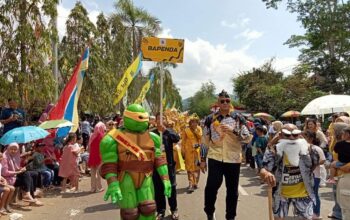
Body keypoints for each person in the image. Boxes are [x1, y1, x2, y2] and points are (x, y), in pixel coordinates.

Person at [100, 104, 171, 220]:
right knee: (129, 213)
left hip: (146, 177)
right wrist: (113, 183)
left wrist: (166, 178)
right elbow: (109, 163)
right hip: (126, 178)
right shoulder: (112, 139)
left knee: (149, 209)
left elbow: (159, 159)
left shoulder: (153, 138)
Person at [260, 124, 319, 220]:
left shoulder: (310, 150)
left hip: (304, 195)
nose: (291, 138)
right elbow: (263, 169)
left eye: (295, 135)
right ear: (281, 135)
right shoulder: (274, 150)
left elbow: (316, 163)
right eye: (287, 135)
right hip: (281, 195)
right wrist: (267, 173)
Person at [203, 90, 243, 220]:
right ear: (218, 103)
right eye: (222, 101)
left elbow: (247, 138)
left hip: (233, 158)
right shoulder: (210, 119)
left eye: (228, 101)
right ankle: (209, 212)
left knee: (232, 191)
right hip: (215, 158)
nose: (225, 103)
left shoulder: (238, 118)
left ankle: (230, 217)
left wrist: (234, 131)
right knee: (211, 187)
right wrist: (202, 159)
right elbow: (204, 141)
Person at [152, 112, 180, 220]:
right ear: (155, 121)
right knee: (158, 189)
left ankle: (174, 209)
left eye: (162, 119)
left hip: (169, 165)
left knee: (171, 188)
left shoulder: (169, 132)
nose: (160, 121)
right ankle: (161, 211)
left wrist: (165, 130)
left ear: (165, 120)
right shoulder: (152, 133)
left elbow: (177, 138)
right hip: (156, 167)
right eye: (158, 119)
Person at [303, 130, 326, 220]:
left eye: (305, 137)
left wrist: (314, 164)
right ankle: (308, 212)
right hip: (304, 176)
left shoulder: (316, 148)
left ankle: (316, 213)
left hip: (315, 176)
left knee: (314, 194)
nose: (303, 139)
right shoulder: (301, 148)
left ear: (311, 139)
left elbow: (323, 160)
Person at [181, 114, 202, 193]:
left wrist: (196, 131)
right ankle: (190, 183)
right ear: (189, 123)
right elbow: (183, 141)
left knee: (197, 168)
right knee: (189, 168)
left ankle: (195, 182)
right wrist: (182, 152)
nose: (194, 124)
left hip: (197, 152)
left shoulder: (199, 129)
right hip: (188, 152)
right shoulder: (186, 130)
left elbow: (201, 138)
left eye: (195, 122)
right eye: (192, 122)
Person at [87, 122, 105, 193]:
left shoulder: (92, 135)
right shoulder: (102, 136)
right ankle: (98, 188)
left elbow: (88, 147)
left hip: (92, 156)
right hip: (99, 156)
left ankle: (92, 188)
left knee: (92, 173)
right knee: (98, 172)